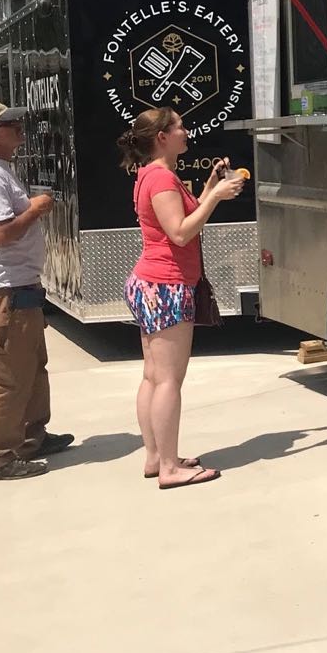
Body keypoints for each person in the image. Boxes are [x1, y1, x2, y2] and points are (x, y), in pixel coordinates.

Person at [118, 106, 243, 490]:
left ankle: (156, 456)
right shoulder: (161, 180)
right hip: (166, 285)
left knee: (154, 377)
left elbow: (182, 217)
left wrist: (208, 186)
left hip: (151, 284)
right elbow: (181, 232)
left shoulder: (154, 174)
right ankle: (171, 468)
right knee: (169, 380)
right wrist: (217, 197)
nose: (186, 132)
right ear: (162, 137)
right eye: (179, 127)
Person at [0, 98, 72, 482]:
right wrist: (36, 209)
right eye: (9, 124)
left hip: (15, 289)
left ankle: (30, 437)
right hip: (2, 293)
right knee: (9, 378)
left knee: (30, 368)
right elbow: (0, 234)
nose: (19, 129)